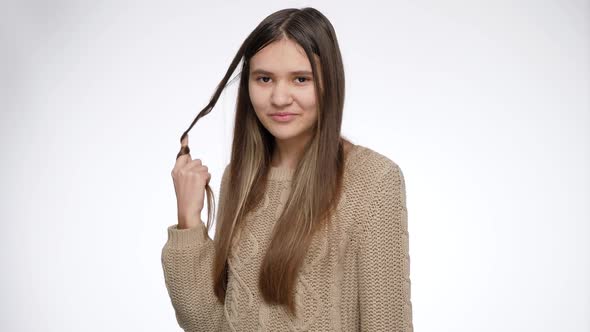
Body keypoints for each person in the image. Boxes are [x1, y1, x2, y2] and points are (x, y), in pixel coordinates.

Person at [161, 7, 413, 331]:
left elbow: (388, 325)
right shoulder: (239, 177)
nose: (280, 97)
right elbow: (210, 324)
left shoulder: (373, 181)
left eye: (301, 79)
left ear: (329, 83)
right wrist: (189, 222)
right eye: (264, 79)